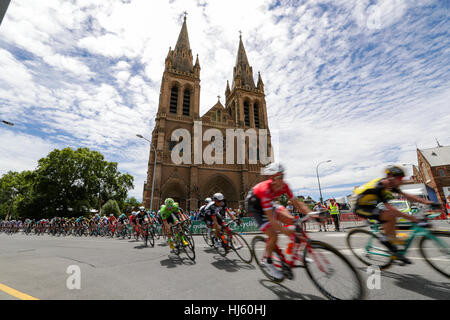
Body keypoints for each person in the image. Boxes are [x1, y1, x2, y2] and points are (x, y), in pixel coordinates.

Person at [353, 165, 437, 264]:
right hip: (361, 207)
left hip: (371, 205)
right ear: (391, 178)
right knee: (390, 215)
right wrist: (414, 219)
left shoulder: (390, 185)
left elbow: (407, 196)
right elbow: (392, 209)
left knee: (391, 218)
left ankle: (391, 240)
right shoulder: (380, 187)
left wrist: (427, 202)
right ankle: (387, 243)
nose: (402, 181)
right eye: (400, 178)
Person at [246, 162, 313, 280]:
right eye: (279, 177)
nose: (282, 180)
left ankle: (293, 250)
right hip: (255, 207)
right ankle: (268, 262)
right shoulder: (264, 189)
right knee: (274, 235)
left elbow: (297, 204)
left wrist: (312, 214)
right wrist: (287, 232)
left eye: (283, 176)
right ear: (271, 178)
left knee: (292, 220)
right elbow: (272, 219)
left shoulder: (284, 186)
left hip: (267, 204)